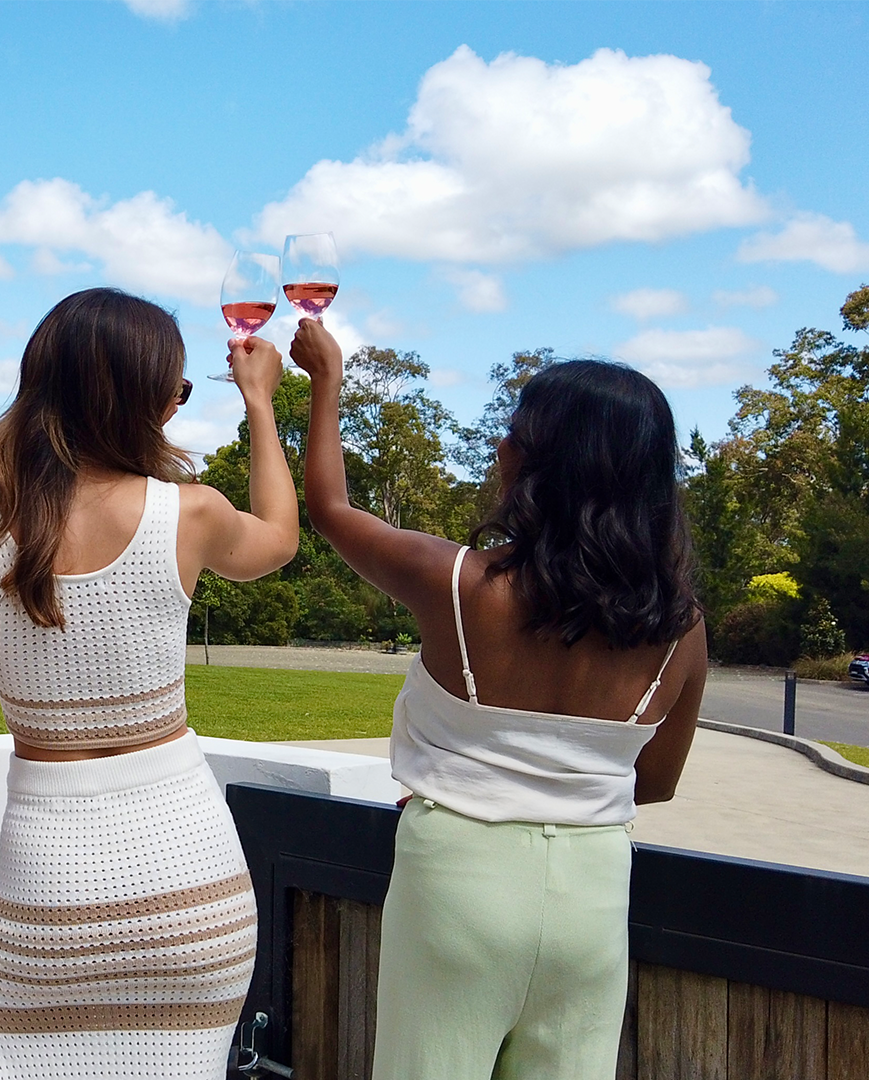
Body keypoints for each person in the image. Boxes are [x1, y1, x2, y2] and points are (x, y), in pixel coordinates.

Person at [288, 318, 706, 1080]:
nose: (501, 447)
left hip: (458, 879)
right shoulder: (681, 631)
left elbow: (332, 511)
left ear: (544, 464)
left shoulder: (460, 586)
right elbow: (658, 782)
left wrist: (326, 385)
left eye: (513, 432)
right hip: (592, 892)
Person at [0, 288, 302, 1080]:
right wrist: (260, 404)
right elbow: (282, 539)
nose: (174, 405)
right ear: (136, 401)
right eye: (176, 390)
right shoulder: (191, 515)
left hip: (47, 892)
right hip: (194, 890)